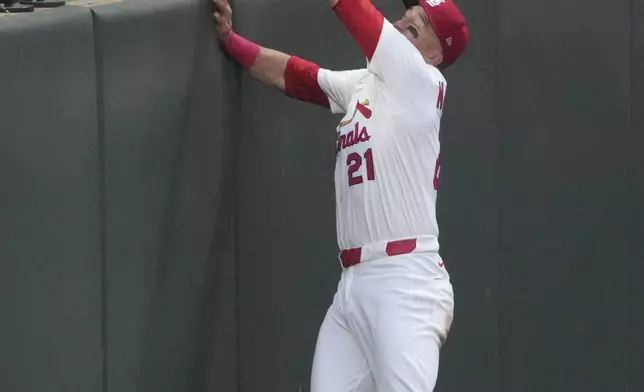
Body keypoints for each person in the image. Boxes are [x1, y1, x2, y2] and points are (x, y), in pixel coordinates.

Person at [213, 0, 468, 390]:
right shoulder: (367, 85)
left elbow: (354, 10)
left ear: (434, 54)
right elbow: (297, 77)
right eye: (405, 17)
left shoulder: (420, 78)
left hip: (404, 285)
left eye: (416, 29)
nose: (401, 25)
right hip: (354, 285)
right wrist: (232, 42)